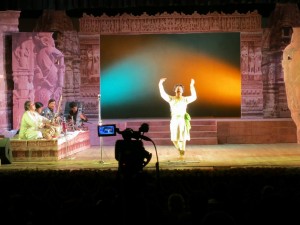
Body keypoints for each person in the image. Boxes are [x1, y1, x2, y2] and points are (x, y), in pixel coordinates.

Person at [158, 78, 197, 157]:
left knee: (182, 137)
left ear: (182, 91)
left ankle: (182, 151)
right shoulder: (171, 99)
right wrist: (160, 84)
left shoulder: (185, 99)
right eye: (177, 89)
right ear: (175, 91)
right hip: (174, 120)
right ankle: (179, 149)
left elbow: (194, 96)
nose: (179, 90)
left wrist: (191, 86)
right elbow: (163, 94)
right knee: (174, 139)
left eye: (180, 89)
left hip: (182, 120)